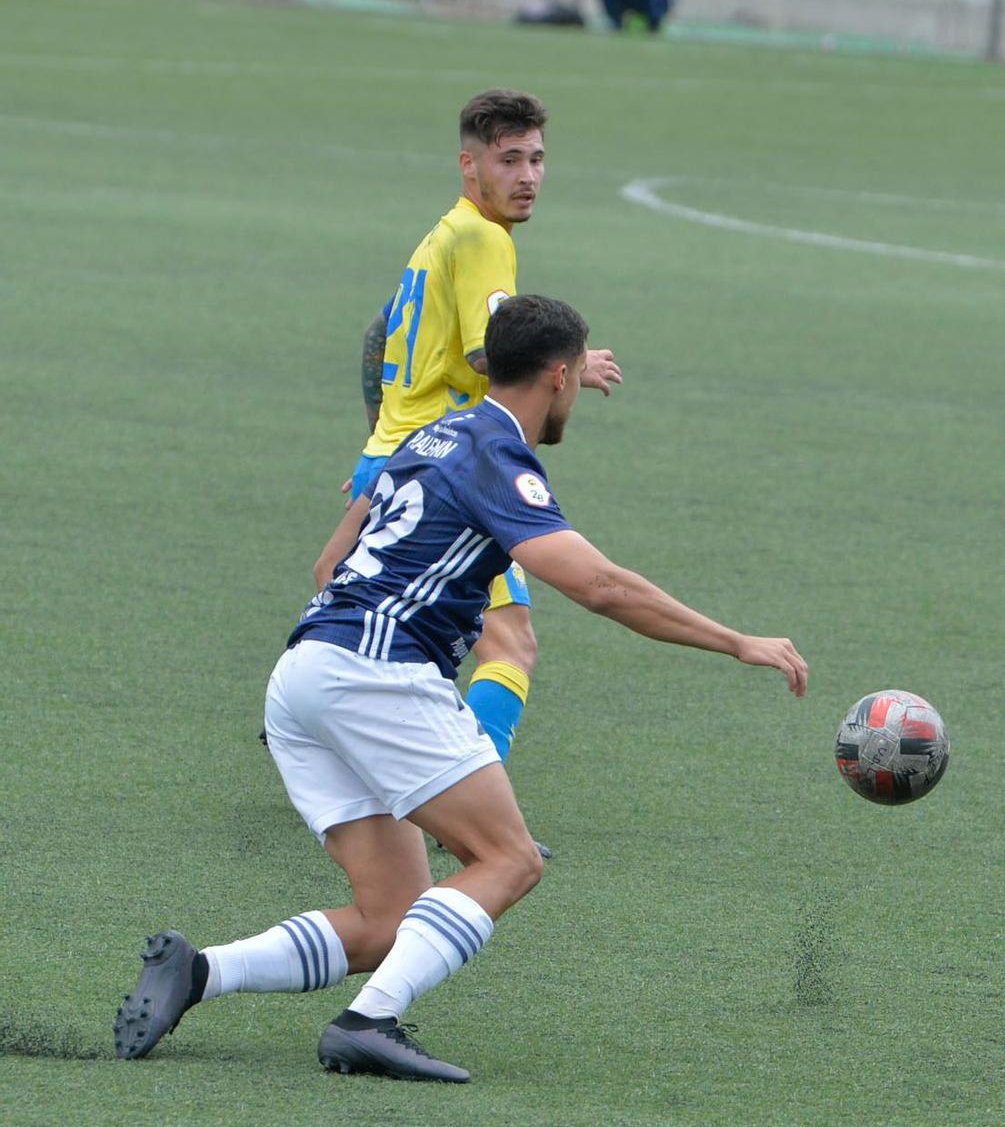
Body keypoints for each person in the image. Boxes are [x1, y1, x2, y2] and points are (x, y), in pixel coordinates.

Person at [115, 295, 808, 1081]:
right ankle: (369, 1020)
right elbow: (603, 586)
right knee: (509, 859)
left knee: (388, 918)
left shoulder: (427, 435)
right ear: (558, 375)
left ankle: (198, 971)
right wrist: (736, 640)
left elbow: (328, 566)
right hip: (374, 676)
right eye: (578, 375)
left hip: (304, 673)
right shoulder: (497, 457)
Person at [353, 89, 622, 772]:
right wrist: (567, 361)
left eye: (536, 159)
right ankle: (467, 793)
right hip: (448, 471)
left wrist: (378, 444)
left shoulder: (442, 232)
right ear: (468, 165)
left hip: (398, 455)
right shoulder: (482, 238)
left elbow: (380, 333)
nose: (527, 176)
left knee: (389, 620)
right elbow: (488, 352)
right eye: (509, 160)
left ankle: (339, 727)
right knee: (510, 645)